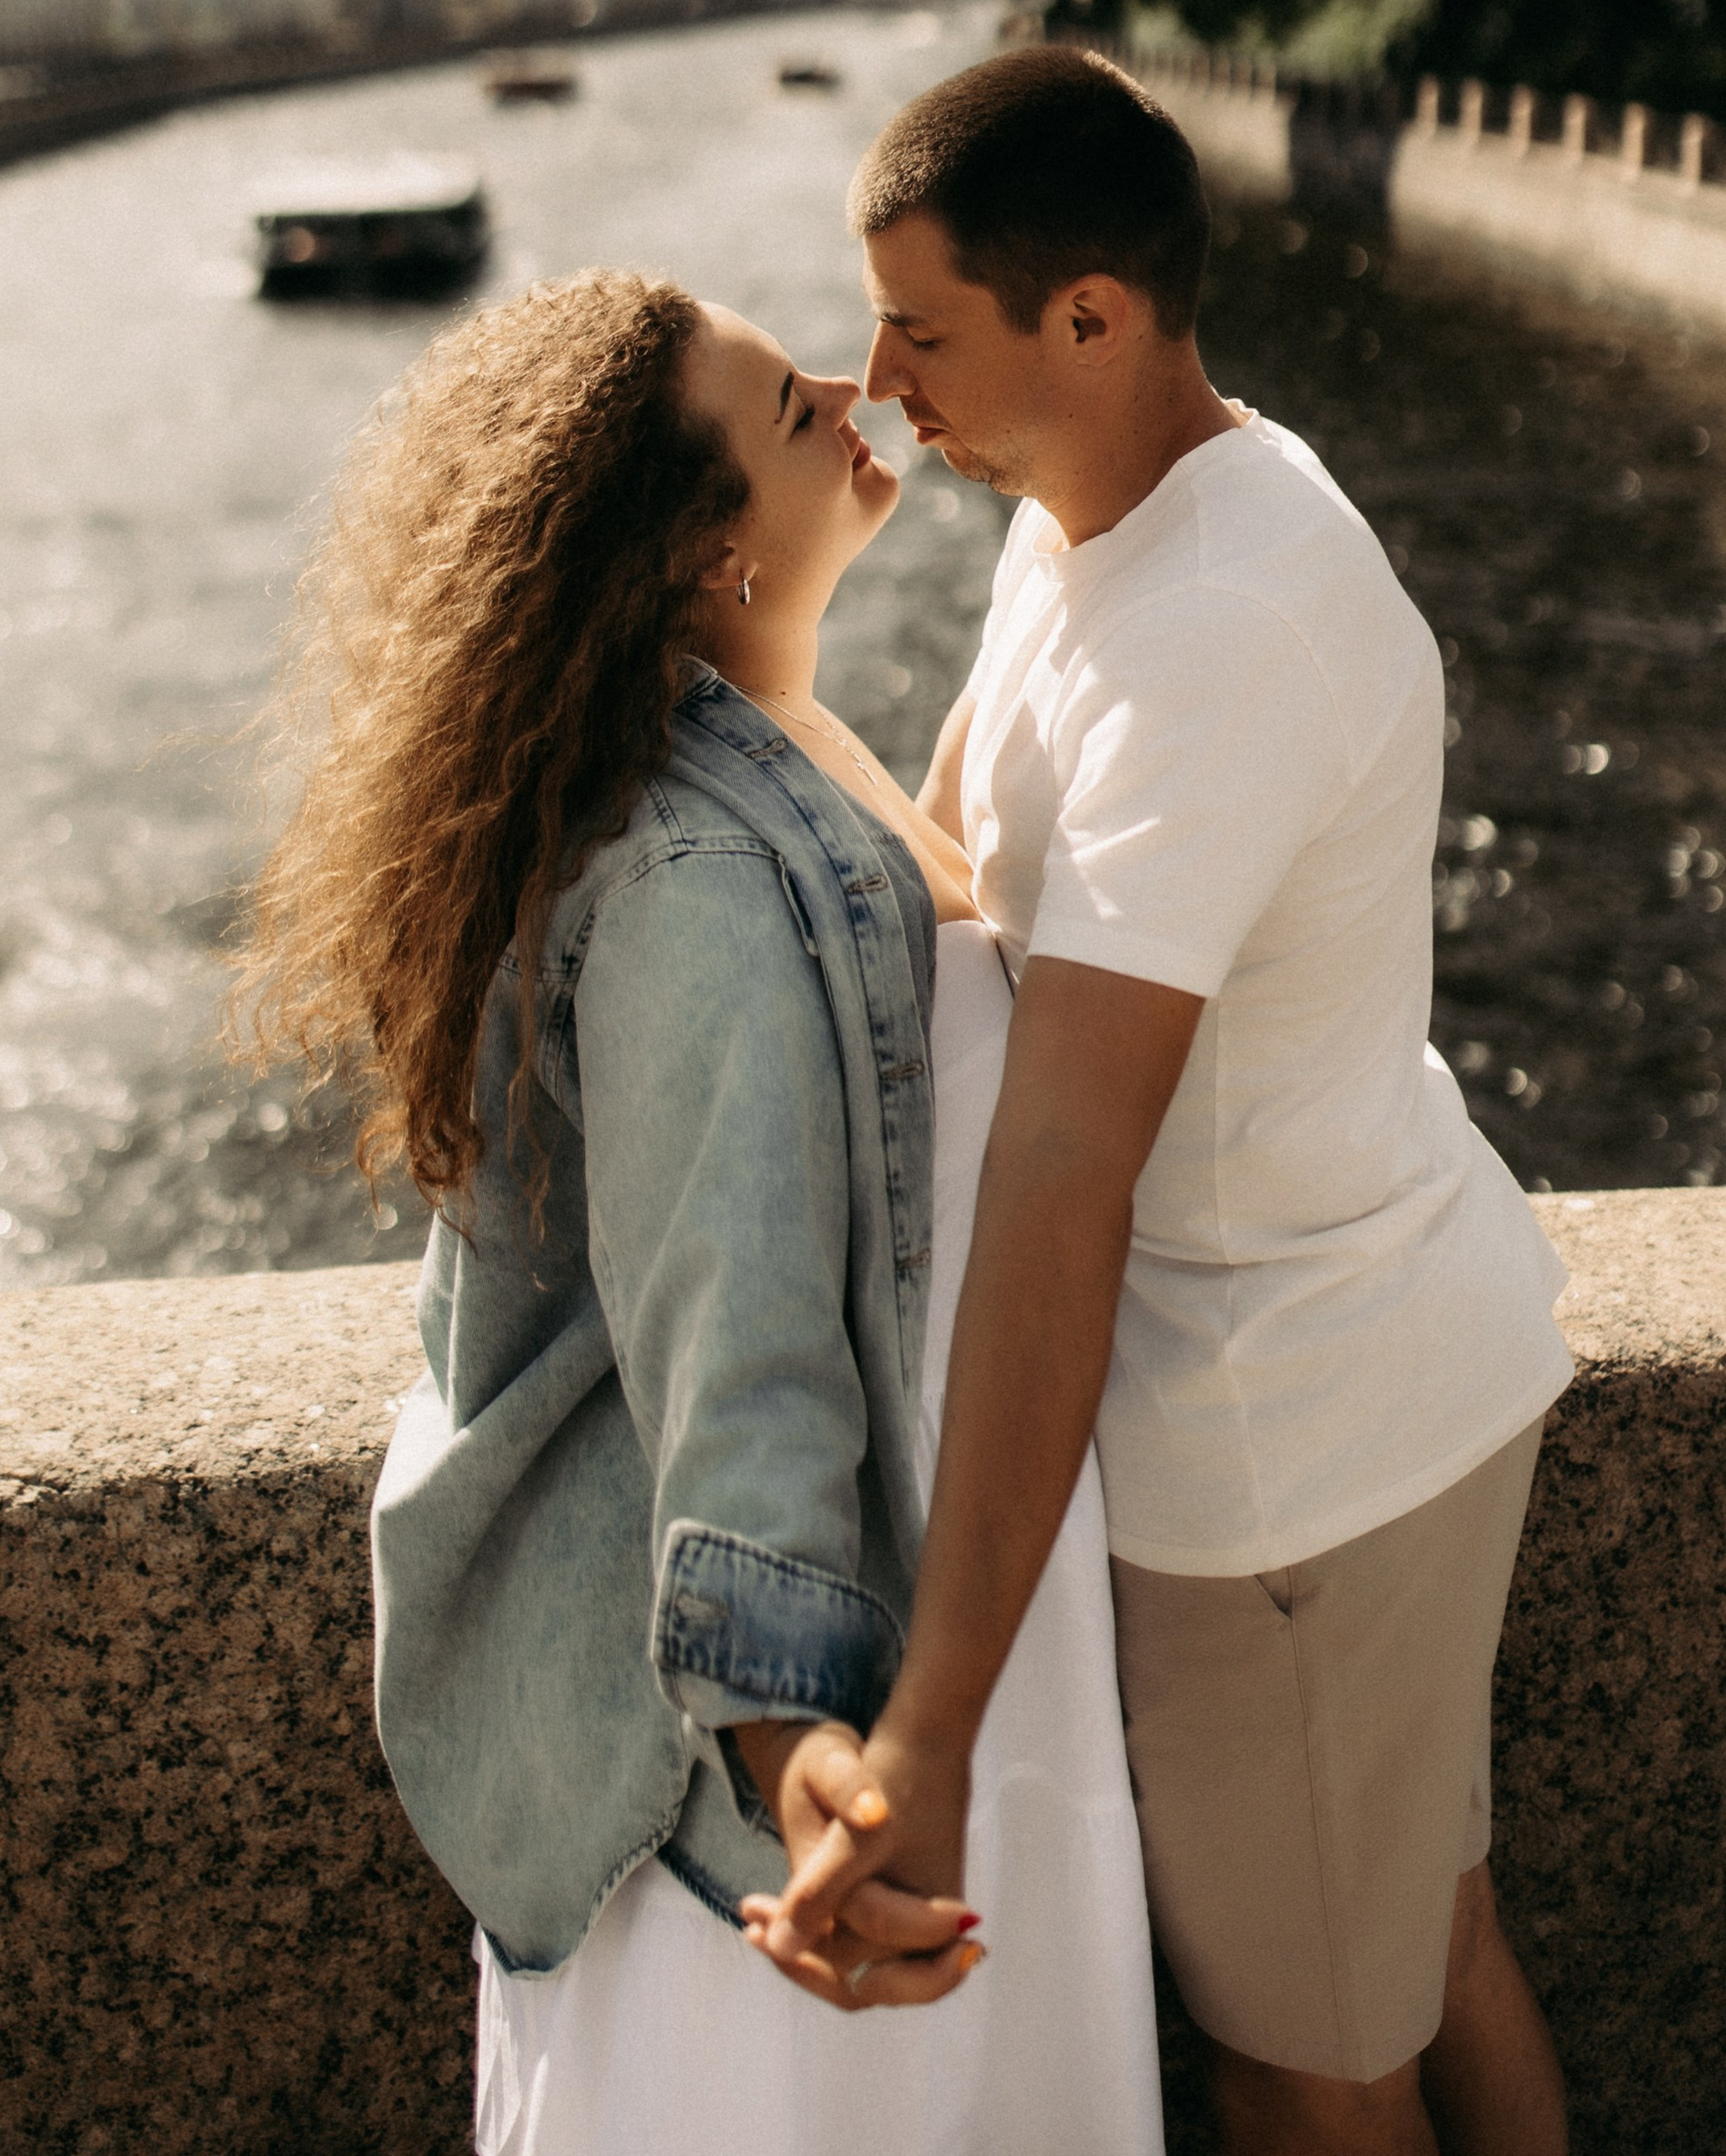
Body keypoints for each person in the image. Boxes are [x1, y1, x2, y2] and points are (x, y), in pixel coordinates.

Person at [744, 47, 1576, 2156]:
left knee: (1307, 2064)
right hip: (1361, 1369)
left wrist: (924, 1728)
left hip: (1288, 1459)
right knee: (1419, 1941)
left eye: (918, 332)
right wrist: (755, 676)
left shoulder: (1206, 626)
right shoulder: (1104, 512)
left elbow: (1062, 1171)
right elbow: (959, 879)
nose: (875, 383)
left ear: (1088, 315)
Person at [237, 264, 1163, 2156]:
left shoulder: (775, 762)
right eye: (784, 410)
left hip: (933, 1615)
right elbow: (720, 1319)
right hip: (795, 1757)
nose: (846, 388)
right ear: (698, 555)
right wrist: (791, 1745)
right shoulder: (699, 879)